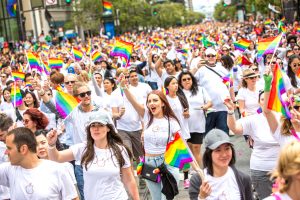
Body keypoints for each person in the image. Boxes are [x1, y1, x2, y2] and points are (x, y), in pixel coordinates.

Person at [46, 113, 139, 200]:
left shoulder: (120, 150)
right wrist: (51, 145)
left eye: (100, 125)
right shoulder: (82, 148)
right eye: (93, 125)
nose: (96, 128)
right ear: (89, 129)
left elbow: (129, 179)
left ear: (108, 128)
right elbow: (57, 158)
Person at [121, 85, 181, 200]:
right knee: (156, 198)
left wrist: (197, 169)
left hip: (167, 163)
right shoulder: (147, 117)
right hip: (149, 164)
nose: (151, 103)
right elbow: (133, 101)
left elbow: (182, 146)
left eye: (155, 100)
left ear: (163, 103)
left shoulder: (172, 122)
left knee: (166, 198)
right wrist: (124, 87)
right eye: (149, 101)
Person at [224, 91, 280, 199]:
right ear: (259, 102)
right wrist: (231, 111)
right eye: (263, 99)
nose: (266, 101)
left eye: (269, 98)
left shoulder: (284, 118)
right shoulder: (254, 119)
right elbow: (235, 128)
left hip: (284, 170)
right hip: (261, 171)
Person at [0, 127, 78, 199]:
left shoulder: (58, 170)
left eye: (9, 148)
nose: (6, 152)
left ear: (23, 149)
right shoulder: (8, 170)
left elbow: (73, 198)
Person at [189, 129, 253, 200]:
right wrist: (201, 197)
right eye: (218, 150)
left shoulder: (243, 179)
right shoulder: (197, 180)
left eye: (227, 148)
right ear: (209, 154)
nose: (224, 154)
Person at [178, 71, 212, 167]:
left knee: (196, 147)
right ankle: (191, 170)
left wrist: (205, 106)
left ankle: (200, 171)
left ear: (192, 80)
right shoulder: (178, 93)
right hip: (185, 126)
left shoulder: (200, 90)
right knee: (188, 149)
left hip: (198, 124)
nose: (187, 81)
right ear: (180, 82)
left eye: (189, 79)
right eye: (184, 80)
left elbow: (210, 102)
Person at [0, 113, 13, 200]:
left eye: (1, 135)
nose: (0, 138)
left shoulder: (22, 143)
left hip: (14, 193)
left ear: (10, 129)